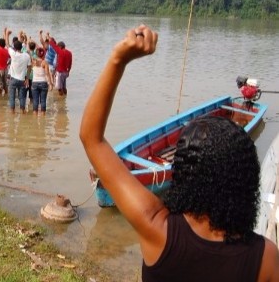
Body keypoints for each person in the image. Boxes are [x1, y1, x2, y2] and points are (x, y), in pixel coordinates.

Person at [80, 25, 279, 282]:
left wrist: (119, 59)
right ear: (246, 179)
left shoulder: (157, 228)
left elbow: (91, 138)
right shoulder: (265, 257)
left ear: (183, 174)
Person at [31, 47, 53, 115]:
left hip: (35, 82)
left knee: (35, 101)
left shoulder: (33, 61)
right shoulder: (45, 63)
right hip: (43, 82)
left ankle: (35, 117)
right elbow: (47, 73)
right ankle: (43, 117)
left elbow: (30, 52)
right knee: (43, 101)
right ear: (43, 54)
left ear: (36, 54)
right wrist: (50, 83)